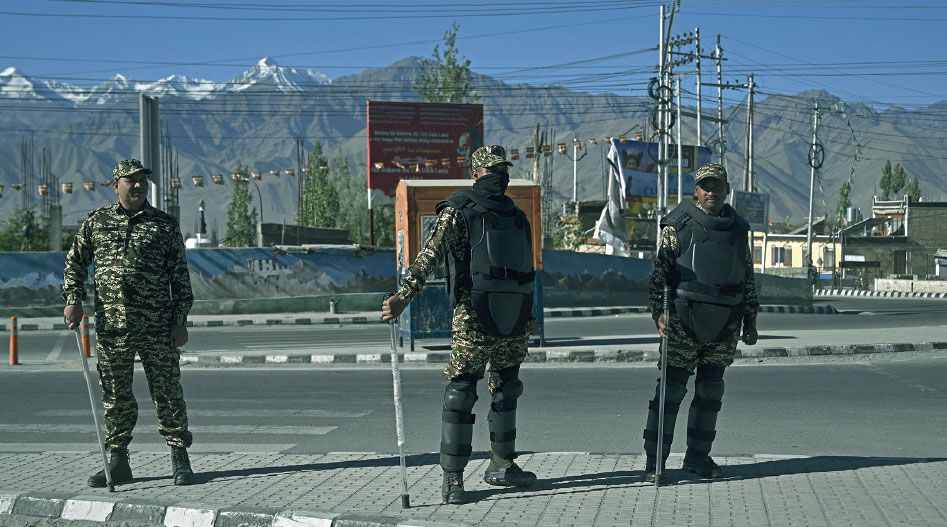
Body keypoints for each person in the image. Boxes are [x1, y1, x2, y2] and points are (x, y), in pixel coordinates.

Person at [382, 145, 538, 505]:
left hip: (512, 314)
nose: (500, 174)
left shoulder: (516, 216)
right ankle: (452, 477)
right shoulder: (458, 209)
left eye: (504, 168)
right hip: (473, 314)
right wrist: (404, 297)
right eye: (493, 169)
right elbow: (429, 255)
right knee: (462, 391)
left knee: (508, 388)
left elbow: (525, 270)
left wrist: (528, 313)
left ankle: (502, 464)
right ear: (477, 172)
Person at [63, 159, 195, 487]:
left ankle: (180, 459)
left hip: (157, 326)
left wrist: (180, 321)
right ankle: (119, 461)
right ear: (116, 185)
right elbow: (75, 262)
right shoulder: (97, 222)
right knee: (115, 395)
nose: (137, 185)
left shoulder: (163, 225)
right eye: (130, 180)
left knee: (167, 392)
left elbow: (179, 277)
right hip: (112, 328)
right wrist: (73, 298)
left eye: (141, 180)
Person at [642, 162, 759, 481]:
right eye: (705, 186)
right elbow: (660, 275)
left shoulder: (738, 229)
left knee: (710, 391)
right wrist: (659, 312)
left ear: (726, 190)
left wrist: (751, 318)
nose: (711, 191)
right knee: (670, 392)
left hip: (725, 322)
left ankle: (697, 459)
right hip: (683, 320)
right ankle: (655, 464)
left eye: (717, 186)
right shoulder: (678, 224)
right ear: (696, 190)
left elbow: (746, 276)